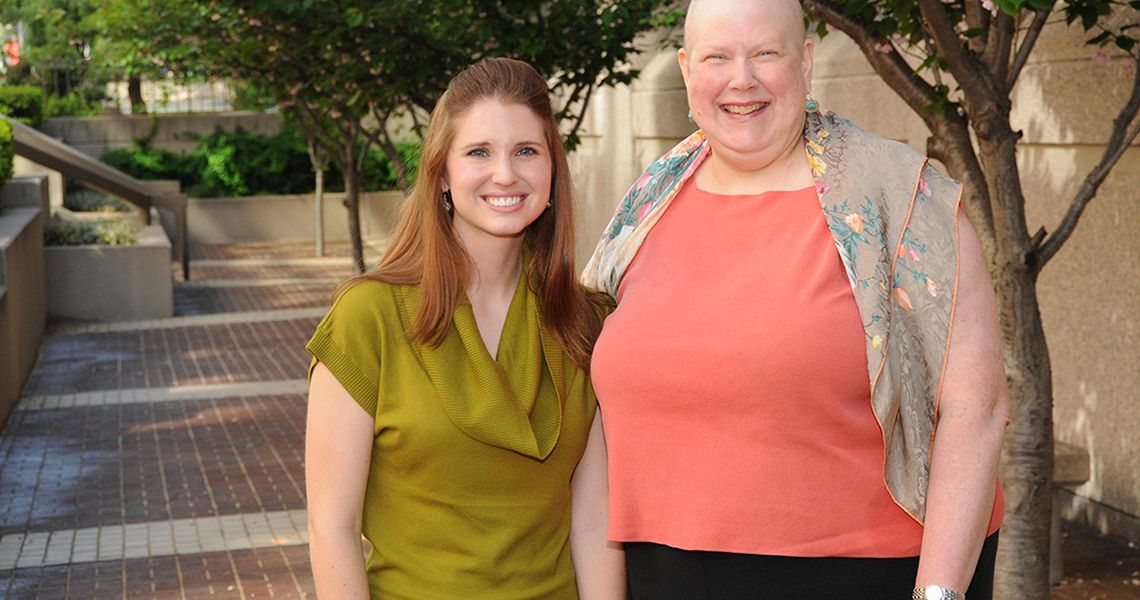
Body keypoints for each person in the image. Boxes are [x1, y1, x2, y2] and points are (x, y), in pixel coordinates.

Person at [581, 1, 1008, 598]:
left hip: (865, 576)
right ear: (685, 69)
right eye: (717, 57)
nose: (741, 79)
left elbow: (976, 409)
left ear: (806, 62)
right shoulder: (647, 205)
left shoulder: (899, 199)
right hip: (667, 576)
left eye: (765, 54)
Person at [305, 57, 622, 599]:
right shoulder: (369, 319)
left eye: (526, 151)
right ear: (442, 174)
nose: (505, 174)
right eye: (479, 152)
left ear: (552, 170)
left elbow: (593, 526)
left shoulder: (587, 323)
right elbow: (331, 528)